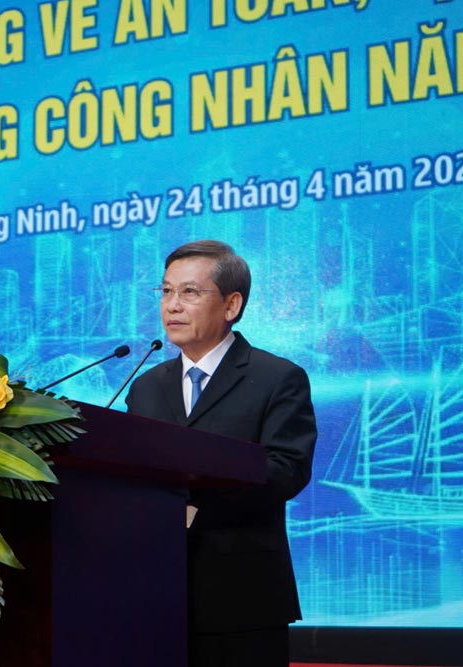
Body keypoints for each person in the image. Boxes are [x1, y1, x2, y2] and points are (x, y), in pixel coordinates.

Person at [125, 240, 317, 667]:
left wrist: (192, 500)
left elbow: (286, 470)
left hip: (242, 598)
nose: (172, 305)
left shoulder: (277, 377)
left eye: (190, 292)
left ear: (231, 305)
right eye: (166, 291)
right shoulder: (146, 386)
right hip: (150, 596)